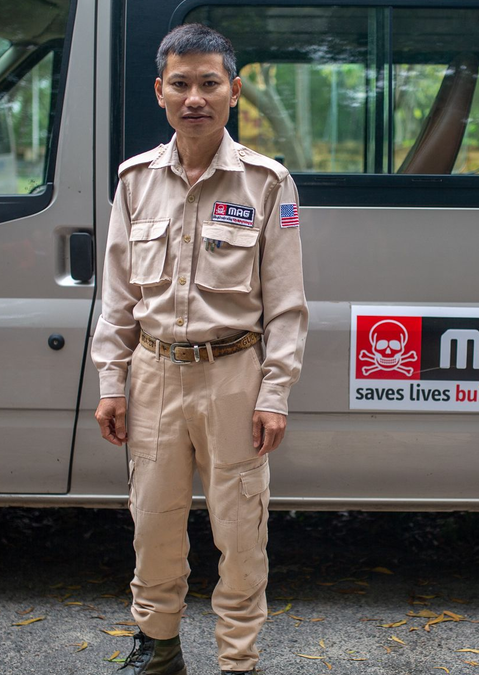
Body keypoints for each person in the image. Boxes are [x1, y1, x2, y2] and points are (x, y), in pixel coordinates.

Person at [91, 23, 308, 675]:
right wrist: (110, 382)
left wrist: (275, 393)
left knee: (240, 531)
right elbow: (117, 296)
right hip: (154, 373)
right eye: (180, 84)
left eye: (209, 83)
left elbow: (287, 304)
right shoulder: (134, 182)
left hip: (233, 376)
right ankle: (158, 647)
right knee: (153, 522)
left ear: (233, 91)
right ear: (159, 91)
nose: (195, 98)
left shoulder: (267, 183)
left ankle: (238, 659)